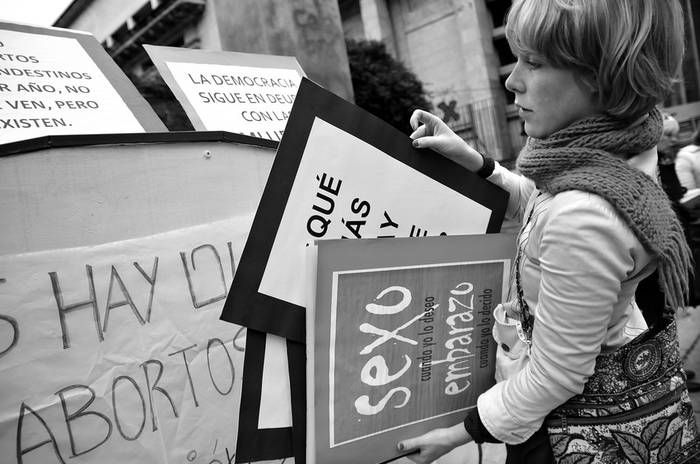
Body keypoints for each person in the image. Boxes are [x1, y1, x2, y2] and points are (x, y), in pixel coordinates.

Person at [397, 0, 696, 463]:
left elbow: (555, 374)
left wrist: (458, 434)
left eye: (533, 62)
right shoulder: (619, 153)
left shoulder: (584, 214)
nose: (512, 80)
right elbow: (543, 205)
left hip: (563, 438)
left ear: (604, 76)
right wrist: (475, 161)